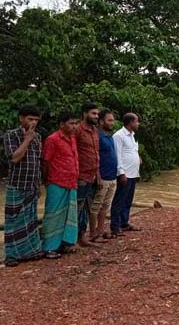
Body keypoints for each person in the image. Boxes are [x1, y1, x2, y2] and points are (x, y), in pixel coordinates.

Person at [2, 105, 44, 267]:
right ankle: (12, 254)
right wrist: (27, 139)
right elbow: (14, 158)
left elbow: (38, 161)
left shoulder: (38, 137)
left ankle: (30, 251)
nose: (33, 123)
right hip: (17, 184)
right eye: (30, 119)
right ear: (21, 119)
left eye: (36, 120)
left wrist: (39, 183)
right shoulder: (11, 135)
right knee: (13, 220)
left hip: (32, 184)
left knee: (30, 220)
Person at [40, 111, 80, 256]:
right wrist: (46, 181)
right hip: (56, 182)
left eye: (76, 123)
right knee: (53, 215)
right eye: (71, 123)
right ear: (62, 125)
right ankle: (49, 247)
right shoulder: (53, 139)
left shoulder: (73, 138)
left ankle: (66, 243)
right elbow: (45, 162)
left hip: (71, 182)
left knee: (69, 214)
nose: (74, 126)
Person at [110, 112, 142, 237]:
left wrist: (137, 158)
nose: (138, 124)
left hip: (133, 173)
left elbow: (132, 150)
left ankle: (124, 222)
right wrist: (121, 173)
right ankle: (115, 225)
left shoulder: (132, 135)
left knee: (128, 200)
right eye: (136, 121)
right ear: (130, 123)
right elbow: (117, 155)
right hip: (125, 174)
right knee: (120, 200)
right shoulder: (119, 136)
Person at [74, 102, 100, 247]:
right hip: (81, 176)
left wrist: (98, 175)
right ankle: (73, 239)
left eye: (97, 114)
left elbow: (95, 154)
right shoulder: (77, 130)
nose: (96, 116)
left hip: (92, 176)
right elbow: (73, 152)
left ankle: (82, 237)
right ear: (85, 113)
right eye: (93, 113)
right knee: (77, 208)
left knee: (85, 208)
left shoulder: (95, 130)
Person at [89, 109, 117, 241]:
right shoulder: (97, 137)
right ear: (101, 121)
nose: (112, 123)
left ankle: (101, 230)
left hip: (112, 177)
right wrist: (98, 176)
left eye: (113, 120)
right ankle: (93, 233)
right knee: (96, 206)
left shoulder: (109, 136)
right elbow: (95, 158)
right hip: (103, 177)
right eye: (109, 120)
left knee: (106, 206)